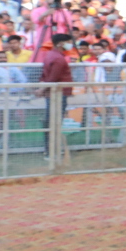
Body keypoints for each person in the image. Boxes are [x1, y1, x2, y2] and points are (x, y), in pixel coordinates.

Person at [37, 31, 75, 161]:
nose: (71, 45)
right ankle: (52, 152)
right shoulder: (58, 58)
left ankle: (50, 150)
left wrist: (42, 88)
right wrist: (42, 89)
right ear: (61, 44)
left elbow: (46, 76)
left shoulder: (51, 55)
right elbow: (53, 78)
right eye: (69, 42)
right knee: (54, 122)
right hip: (58, 93)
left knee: (51, 121)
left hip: (54, 93)